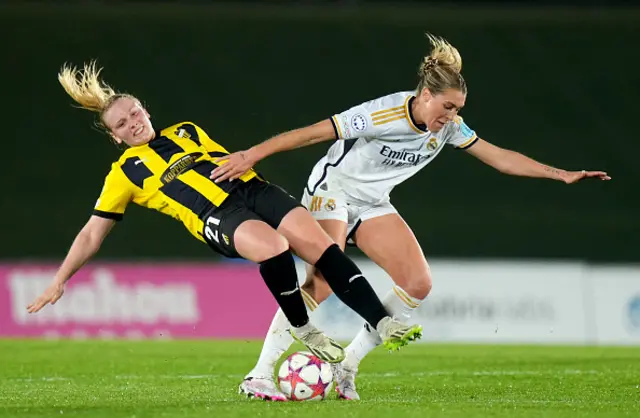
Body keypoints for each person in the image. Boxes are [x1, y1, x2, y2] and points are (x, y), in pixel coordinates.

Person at [209, 33, 611, 401]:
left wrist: (562, 174)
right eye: (447, 106)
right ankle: (259, 374)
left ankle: (346, 368)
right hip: (333, 190)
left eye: (458, 109)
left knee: (418, 283)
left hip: (372, 201)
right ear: (424, 95)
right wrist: (252, 155)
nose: (452, 116)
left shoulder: (449, 128)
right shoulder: (384, 113)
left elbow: (500, 159)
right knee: (323, 281)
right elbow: (314, 133)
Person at [25, 61, 424, 378]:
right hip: (215, 215)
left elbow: (220, 160)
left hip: (250, 188)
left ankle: (382, 323)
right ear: (115, 136)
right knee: (274, 247)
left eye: (134, 113)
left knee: (322, 247)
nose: (133, 124)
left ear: (144, 109)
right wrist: (60, 280)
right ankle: (302, 327)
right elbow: (93, 232)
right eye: (122, 125)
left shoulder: (186, 130)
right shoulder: (124, 173)